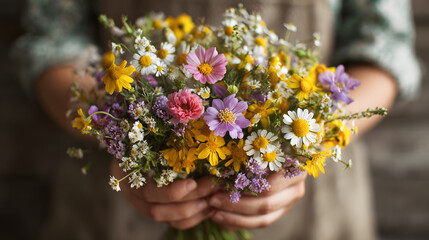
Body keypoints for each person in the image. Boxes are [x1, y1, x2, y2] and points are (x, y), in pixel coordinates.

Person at [11, 0, 420, 239]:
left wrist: (309, 137)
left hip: (315, 207)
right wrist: (123, 135)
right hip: (113, 205)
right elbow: (51, 43)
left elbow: (384, 47)